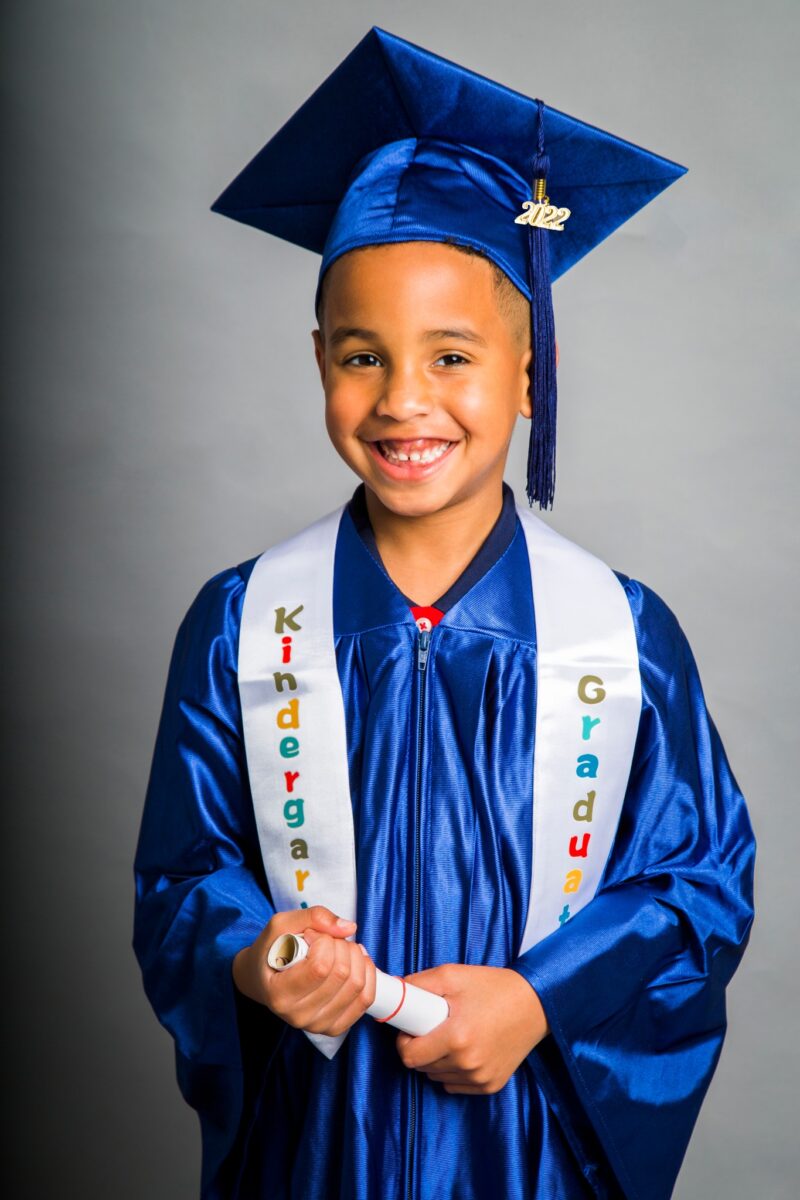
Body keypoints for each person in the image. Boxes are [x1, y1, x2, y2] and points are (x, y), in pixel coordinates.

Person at [132, 26, 756, 1200]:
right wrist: (255, 957)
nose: (402, 400)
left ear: (529, 373)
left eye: (452, 356)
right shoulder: (243, 624)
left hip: (522, 1139)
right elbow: (182, 876)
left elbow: (695, 886)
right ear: (318, 361)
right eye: (361, 356)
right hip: (320, 1138)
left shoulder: (619, 636)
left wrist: (538, 998)